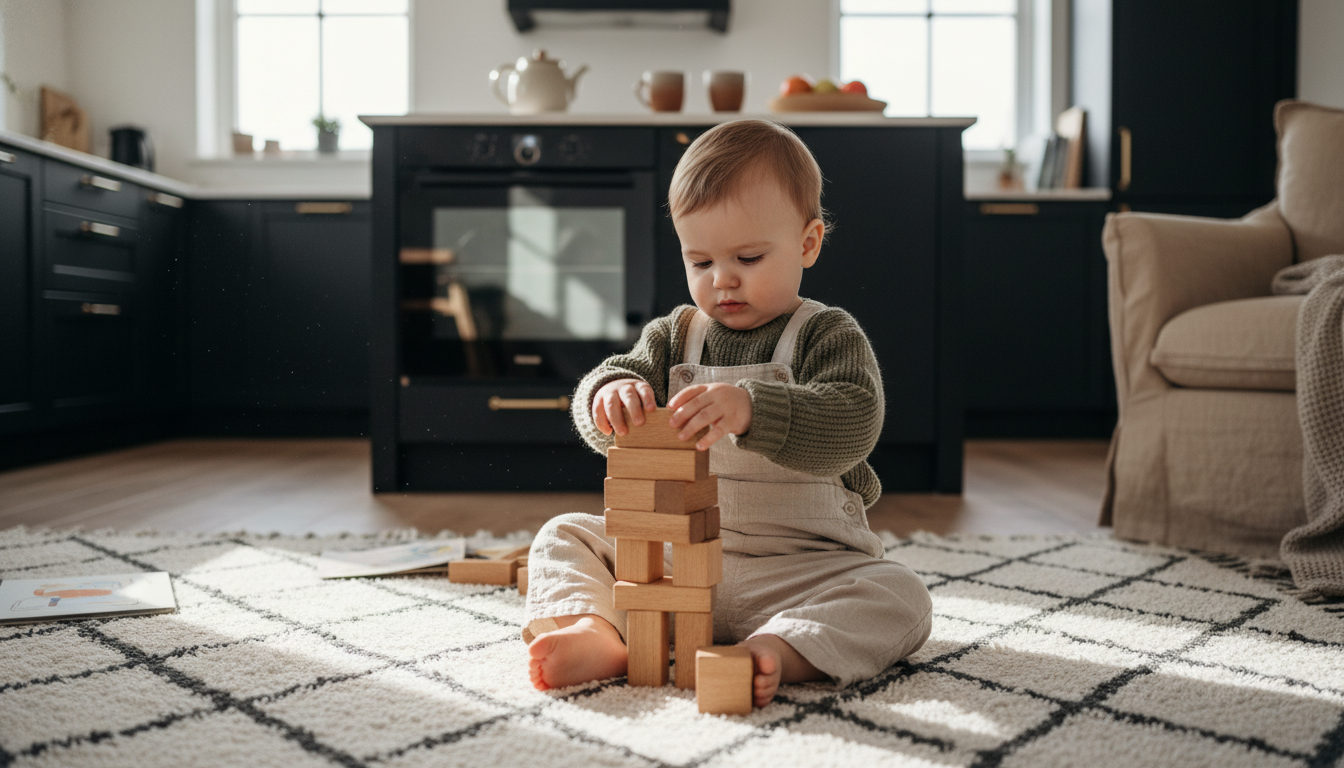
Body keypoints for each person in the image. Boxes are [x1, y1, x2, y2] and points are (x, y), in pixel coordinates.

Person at [523, 119, 932, 708]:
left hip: (799, 570)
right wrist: (607, 395)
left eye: (747, 256)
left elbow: (855, 420)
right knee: (563, 533)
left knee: (901, 593)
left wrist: (752, 409)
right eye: (701, 262)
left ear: (808, 243)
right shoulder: (674, 336)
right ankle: (603, 631)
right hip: (671, 565)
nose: (723, 280)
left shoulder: (827, 334)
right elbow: (615, 379)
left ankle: (781, 648)